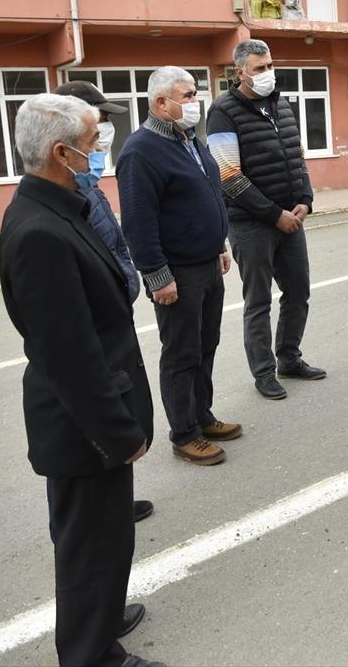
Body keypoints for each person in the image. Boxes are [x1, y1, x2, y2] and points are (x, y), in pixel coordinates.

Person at [0, 93, 164, 667]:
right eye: (94, 143)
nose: (100, 152)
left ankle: (105, 615)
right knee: (87, 546)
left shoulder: (63, 205)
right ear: (62, 153)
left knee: (109, 533)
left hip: (96, 411)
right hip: (82, 424)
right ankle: (92, 655)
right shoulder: (41, 230)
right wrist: (118, 434)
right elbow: (69, 357)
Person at [116, 66, 241, 465]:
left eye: (194, 95)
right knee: (181, 352)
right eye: (186, 97)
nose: (194, 103)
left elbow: (209, 193)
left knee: (207, 344)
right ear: (160, 103)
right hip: (176, 272)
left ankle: (201, 415)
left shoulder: (190, 139)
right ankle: (184, 433)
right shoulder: (140, 151)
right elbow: (138, 220)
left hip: (206, 262)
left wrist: (219, 243)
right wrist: (157, 276)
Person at [53, 81, 154, 521]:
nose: (107, 131)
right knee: (98, 413)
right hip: (98, 328)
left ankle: (114, 498)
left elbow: (114, 246)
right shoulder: (61, 198)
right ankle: (103, 505)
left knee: (115, 411)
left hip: (115, 316)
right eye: (100, 123)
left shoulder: (87, 182)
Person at [206, 40, 325, 400]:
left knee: (299, 290)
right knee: (258, 300)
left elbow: (296, 157)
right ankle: (263, 372)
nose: (267, 74)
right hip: (252, 223)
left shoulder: (280, 104)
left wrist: (305, 199)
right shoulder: (222, 112)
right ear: (239, 72)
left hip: (291, 217)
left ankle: (289, 356)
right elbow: (228, 175)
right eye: (259, 69)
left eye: (269, 65)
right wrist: (275, 215)